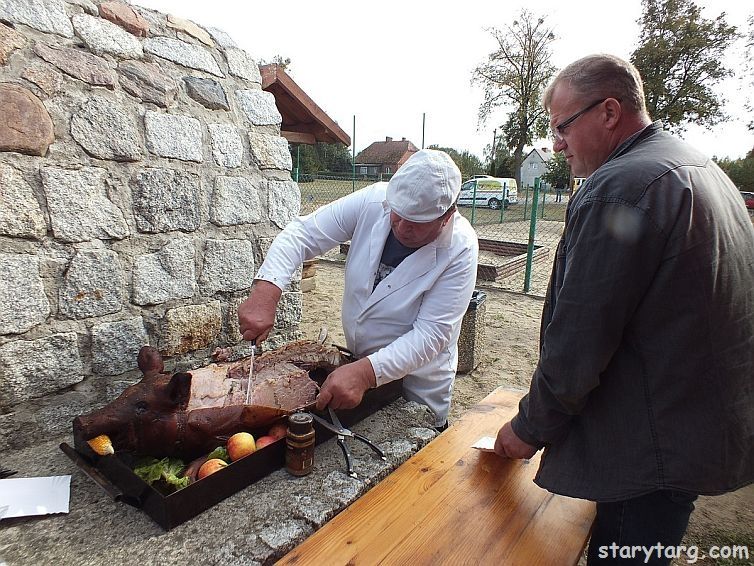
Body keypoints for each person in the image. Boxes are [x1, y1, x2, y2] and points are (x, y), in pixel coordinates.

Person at [493, 54, 754, 564]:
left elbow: (581, 339)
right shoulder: (696, 165)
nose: (556, 145)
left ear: (609, 112)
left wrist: (528, 429)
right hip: (689, 423)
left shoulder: (621, 190)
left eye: (563, 126)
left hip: (651, 444)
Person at [238, 149, 479, 429]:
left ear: (446, 216)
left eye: (415, 223)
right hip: (356, 365)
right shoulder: (375, 200)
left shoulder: (460, 248)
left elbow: (431, 336)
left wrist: (366, 374)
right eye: (397, 215)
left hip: (418, 384)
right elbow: (302, 234)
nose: (401, 227)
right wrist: (266, 292)